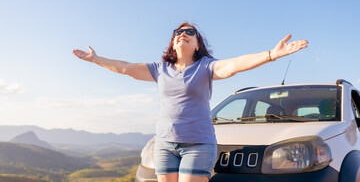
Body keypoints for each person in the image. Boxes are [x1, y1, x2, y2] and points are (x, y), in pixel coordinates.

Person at [72, 22, 308, 182]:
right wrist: (96, 59)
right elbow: (125, 68)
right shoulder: (159, 69)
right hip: (165, 144)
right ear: (173, 43)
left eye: (190, 32)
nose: (182, 33)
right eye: (178, 32)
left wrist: (271, 54)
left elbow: (236, 64)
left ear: (197, 45)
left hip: (198, 144)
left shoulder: (206, 66)